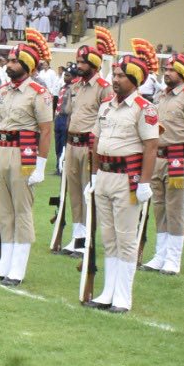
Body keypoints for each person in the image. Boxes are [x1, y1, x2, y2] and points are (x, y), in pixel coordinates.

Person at [85, 54, 159, 312]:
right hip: (105, 174)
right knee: (108, 236)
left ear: (135, 80)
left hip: (127, 177)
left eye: (121, 76)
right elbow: (96, 140)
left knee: (125, 237)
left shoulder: (144, 108)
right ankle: (108, 291)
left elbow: (151, 146)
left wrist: (145, 183)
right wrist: (94, 175)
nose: (115, 80)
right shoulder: (106, 105)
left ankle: (123, 297)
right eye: (114, 75)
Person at [0, 36, 54, 286]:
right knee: (3, 211)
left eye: (15, 61)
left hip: (24, 152)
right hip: (3, 150)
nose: (9, 64)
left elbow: (46, 130)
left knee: (21, 210)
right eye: (9, 60)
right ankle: (4, 264)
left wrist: (41, 165)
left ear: (27, 64)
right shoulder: (3, 91)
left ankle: (18, 268)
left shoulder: (39, 93)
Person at [141, 51, 184, 275]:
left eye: (172, 70)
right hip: (158, 157)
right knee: (159, 207)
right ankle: (160, 254)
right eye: (166, 69)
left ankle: (173, 258)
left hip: (178, 158)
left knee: (175, 209)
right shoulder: (160, 96)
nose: (166, 73)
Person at [60, 34, 114, 256]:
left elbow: (107, 120)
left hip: (90, 145)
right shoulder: (76, 86)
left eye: (83, 62)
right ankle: (77, 236)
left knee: (88, 192)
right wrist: (64, 148)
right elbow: (70, 115)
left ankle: (88, 238)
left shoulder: (104, 88)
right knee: (74, 192)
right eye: (78, 62)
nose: (79, 66)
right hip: (72, 143)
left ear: (94, 64)